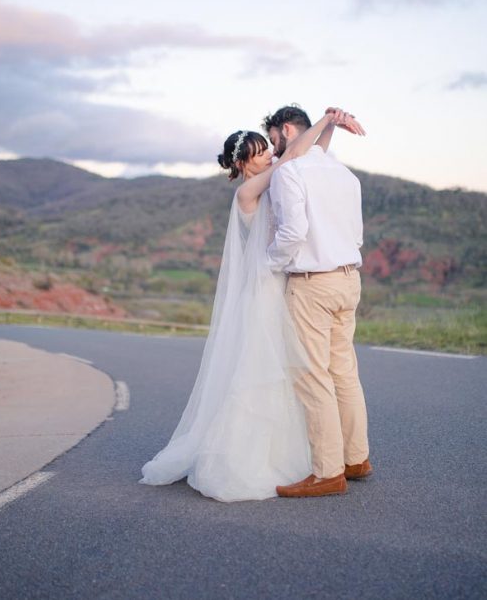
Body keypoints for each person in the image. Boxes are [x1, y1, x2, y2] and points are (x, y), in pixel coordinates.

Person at [140, 107, 365, 502]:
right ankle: (331, 459)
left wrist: (326, 129)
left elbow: (306, 156)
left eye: (268, 148)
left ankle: (334, 461)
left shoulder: (283, 171)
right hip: (271, 285)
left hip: (292, 282)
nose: (269, 156)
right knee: (291, 372)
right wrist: (327, 122)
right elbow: (301, 156)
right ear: (244, 162)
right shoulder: (248, 191)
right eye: (260, 152)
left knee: (310, 372)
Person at [264, 106, 371, 498]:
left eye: (275, 138)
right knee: (343, 371)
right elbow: (356, 234)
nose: (274, 147)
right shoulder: (345, 174)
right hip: (349, 279)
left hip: (312, 283)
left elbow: (292, 232)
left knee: (312, 376)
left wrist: (267, 265)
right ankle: (356, 458)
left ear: (287, 130)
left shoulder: (290, 172)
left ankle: (327, 472)